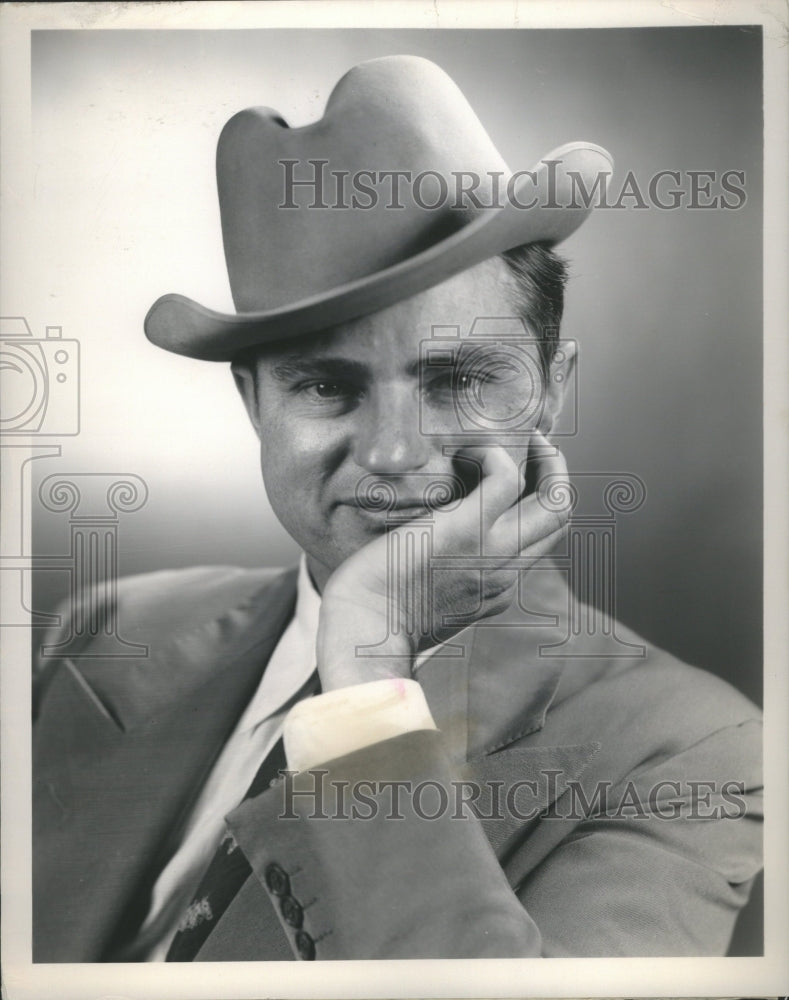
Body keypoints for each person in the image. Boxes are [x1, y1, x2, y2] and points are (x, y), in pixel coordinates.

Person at [32, 55, 762, 962]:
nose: (390, 452)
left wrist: (369, 664)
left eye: (456, 380)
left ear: (551, 391)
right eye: (327, 388)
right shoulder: (101, 630)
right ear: (253, 404)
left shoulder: (687, 746)